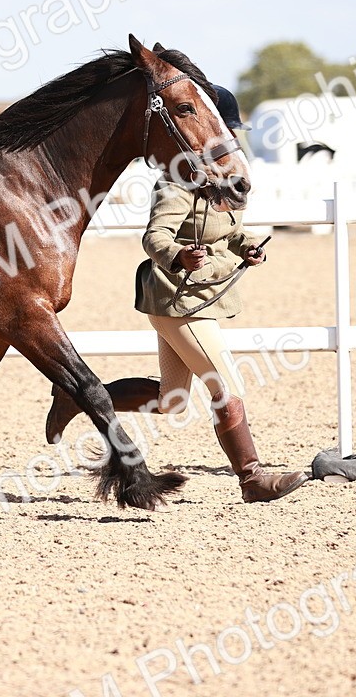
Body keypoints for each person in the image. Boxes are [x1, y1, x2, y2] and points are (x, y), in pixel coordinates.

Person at [45, 84, 309, 503]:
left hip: (201, 298)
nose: (228, 144)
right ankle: (252, 478)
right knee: (226, 386)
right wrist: (179, 256)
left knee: (173, 401)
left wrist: (247, 246)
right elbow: (155, 238)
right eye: (224, 136)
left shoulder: (222, 182)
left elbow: (230, 233)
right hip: (178, 300)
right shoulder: (176, 183)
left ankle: (76, 398)